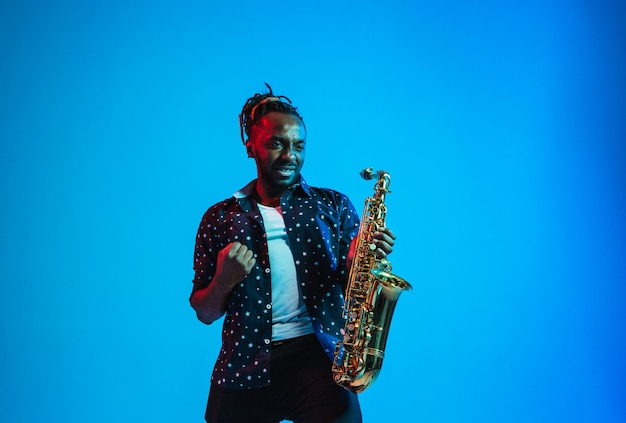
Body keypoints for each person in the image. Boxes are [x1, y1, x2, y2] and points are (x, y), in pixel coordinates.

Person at [190, 84, 396, 423]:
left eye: (298, 145)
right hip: (245, 363)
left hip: (319, 362)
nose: (290, 155)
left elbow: (354, 290)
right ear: (250, 146)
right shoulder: (220, 218)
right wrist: (224, 280)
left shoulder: (333, 206)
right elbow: (206, 312)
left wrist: (358, 263)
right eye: (276, 144)